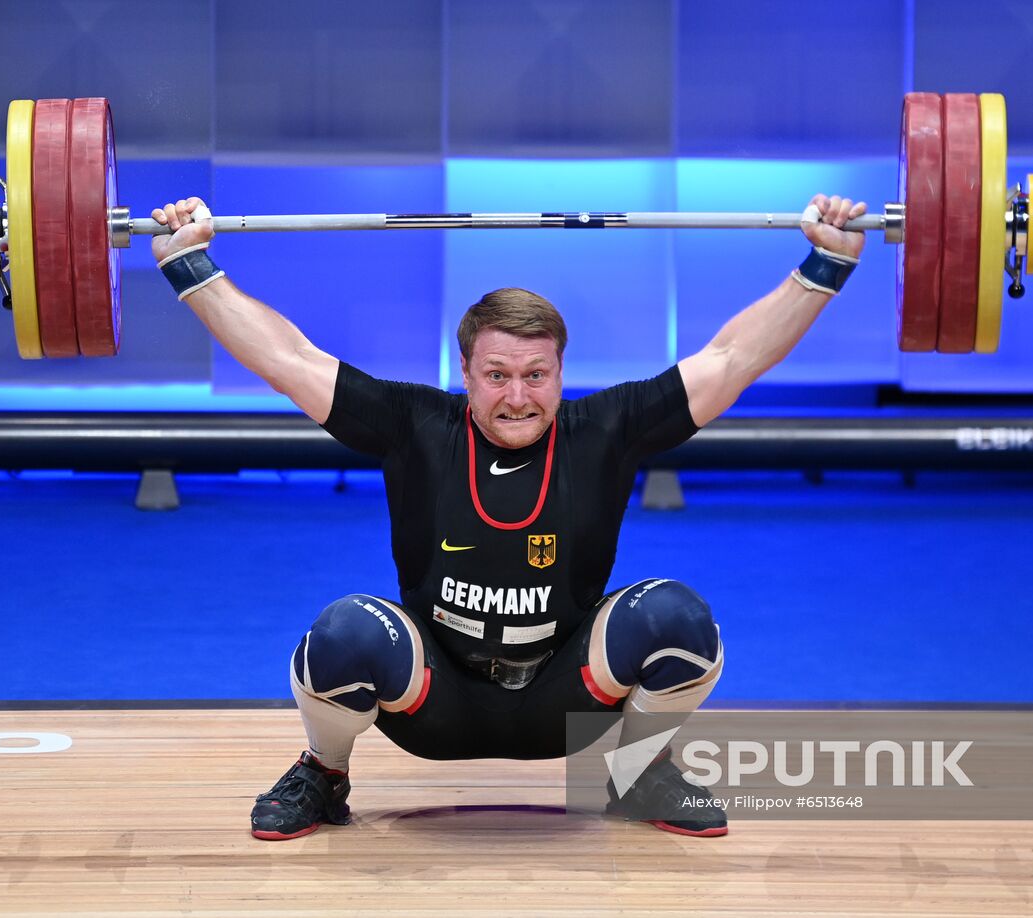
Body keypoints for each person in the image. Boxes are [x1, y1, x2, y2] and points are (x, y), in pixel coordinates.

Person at [151, 193, 868, 839]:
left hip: (567, 700)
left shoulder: (608, 428)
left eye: (536, 375)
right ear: (466, 374)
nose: (517, 396)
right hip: (434, 699)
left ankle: (639, 772)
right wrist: (191, 266)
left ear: (562, 372)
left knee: (678, 619)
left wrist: (824, 267)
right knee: (343, 632)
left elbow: (732, 357)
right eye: (497, 376)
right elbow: (288, 358)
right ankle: (325, 772)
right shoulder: (413, 424)